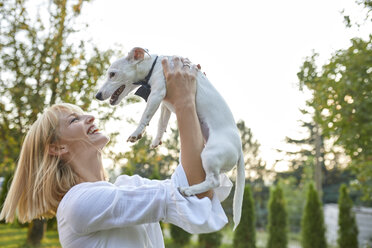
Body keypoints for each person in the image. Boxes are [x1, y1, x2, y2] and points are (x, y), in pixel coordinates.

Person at [0, 57, 232, 247]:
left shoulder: (127, 185)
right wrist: (184, 102)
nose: (89, 116)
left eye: (83, 114)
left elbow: (198, 189)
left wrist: (195, 97)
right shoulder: (78, 203)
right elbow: (191, 192)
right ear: (57, 148)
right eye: (74, 120)